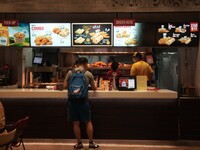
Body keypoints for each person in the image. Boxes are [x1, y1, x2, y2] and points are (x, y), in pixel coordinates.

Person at [63, 57, 99, 150]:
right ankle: (91, 143)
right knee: (88, 122)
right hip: (83, 101)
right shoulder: (88, 74)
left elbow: (65, 86)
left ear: (77, 63)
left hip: (72, 101)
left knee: (76, 123)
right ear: (86, 64)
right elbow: (94, 88)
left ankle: (79, 144)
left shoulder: (70, 72)